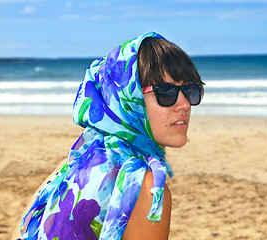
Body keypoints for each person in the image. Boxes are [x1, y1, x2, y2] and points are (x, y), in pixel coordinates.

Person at [12, 31, 204, 239]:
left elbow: (21, 232)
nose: (184, 104)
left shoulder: (75, 163)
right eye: (166, 92)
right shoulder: (145, 189)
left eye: (190, 90)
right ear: (128, 99)